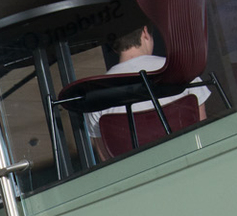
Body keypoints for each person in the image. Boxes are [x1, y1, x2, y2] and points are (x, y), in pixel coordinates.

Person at [84, 26, 211, 159]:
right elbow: (202, 134)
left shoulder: (96, 96)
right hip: (191, 165)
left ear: (114, 47)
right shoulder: (181, 71)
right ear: (145, 32)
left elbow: (107, 159)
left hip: (139, 175)